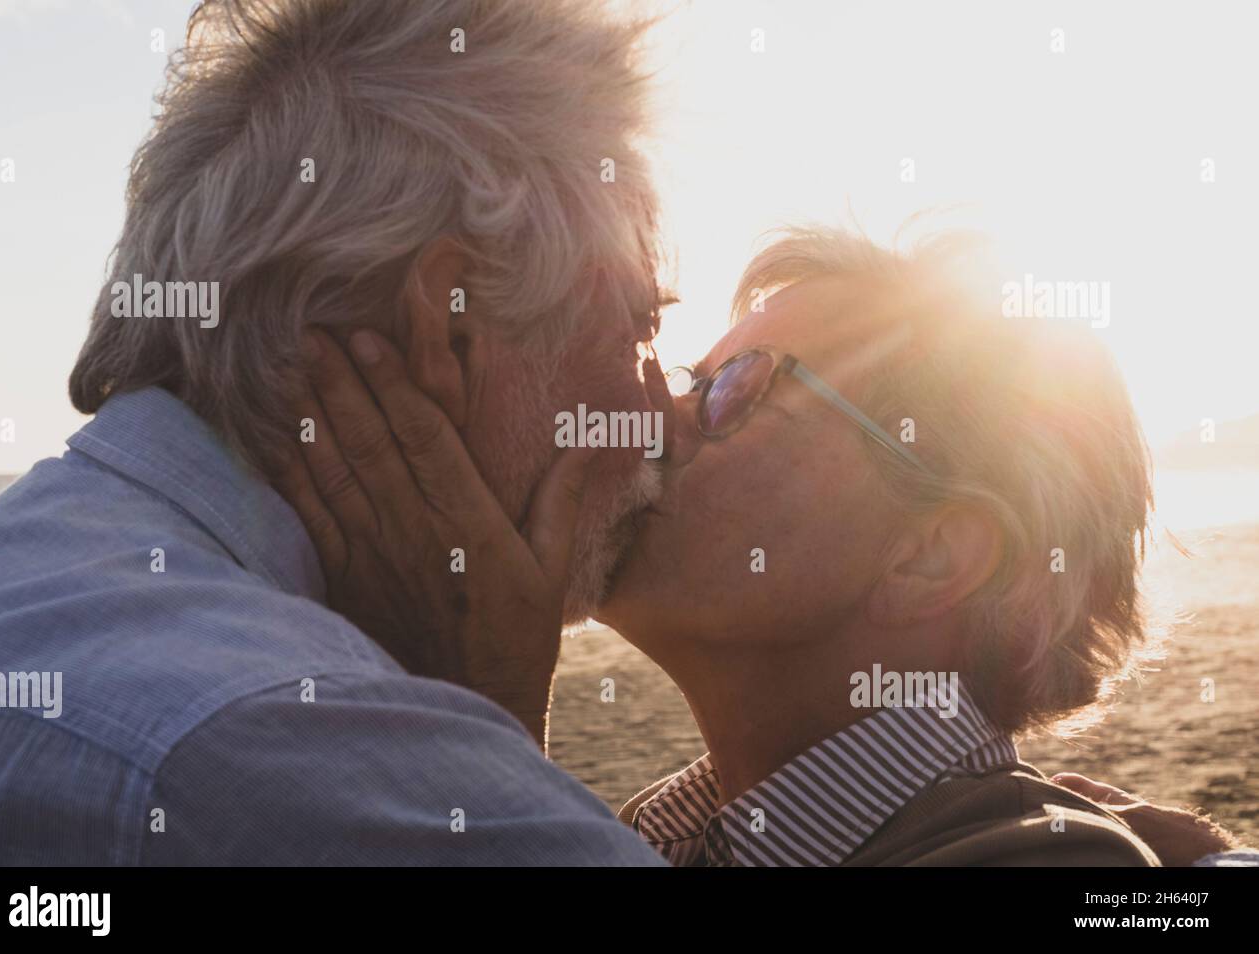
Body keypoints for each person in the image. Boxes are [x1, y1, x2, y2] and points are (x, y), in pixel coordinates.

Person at [281, 225, 1254, 865]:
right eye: (685, 371)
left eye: (737, 385)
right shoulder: (668, 837)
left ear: (931, 553)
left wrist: (481, 718)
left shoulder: (1039, 861)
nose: (654, 411)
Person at [0, 0, 672, 866]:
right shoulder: (314, 763)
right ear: (450, 324)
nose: (658, 411)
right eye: (637, 330)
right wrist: (484, 725)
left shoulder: (15, 572)